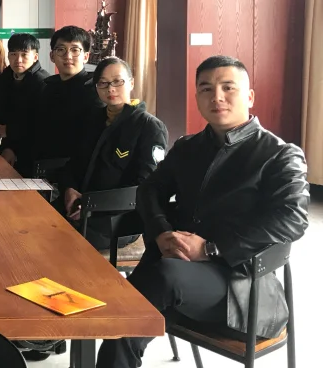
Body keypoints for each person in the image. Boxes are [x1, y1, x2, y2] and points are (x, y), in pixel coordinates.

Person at [96, 55, 310, 368]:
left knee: (143, 294)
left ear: (250, 96)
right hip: (174, 272)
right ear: (197, 97)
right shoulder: (188, 147)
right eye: (206, 89)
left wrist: (210, 248)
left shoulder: (279, 155)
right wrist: (160, 232)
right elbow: (150, 189)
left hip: (238, 284)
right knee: (126, 315)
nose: (217, 97)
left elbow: (293, 218)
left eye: (228, 88)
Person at [58, 57, 168, 249]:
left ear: (131, 83)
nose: (110, 89)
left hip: (117, 220)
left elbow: (144, 185)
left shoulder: (149, 127)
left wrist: (92, 205)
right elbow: (73, 163)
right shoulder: (93, 119)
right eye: (103, 83)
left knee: (61, 242)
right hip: (79, 208)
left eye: (117, 81)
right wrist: (69, 188)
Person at [28, 26, 104, 177]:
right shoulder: (47, 88)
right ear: (52, 56)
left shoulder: (95, 93)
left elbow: (91, 146)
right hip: (40, 169)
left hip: (73, 175)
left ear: (86, 56)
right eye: (61, 50)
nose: (68, 56)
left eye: (75, 50)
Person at [0, 33, 50, 170]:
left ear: (35, 57)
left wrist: (9, 136)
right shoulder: (6, 77)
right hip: (8, 145)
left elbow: (40, 126)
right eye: (13, 54)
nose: (18, 60)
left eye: (24, 54)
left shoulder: (42, 82)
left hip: (32, 155)